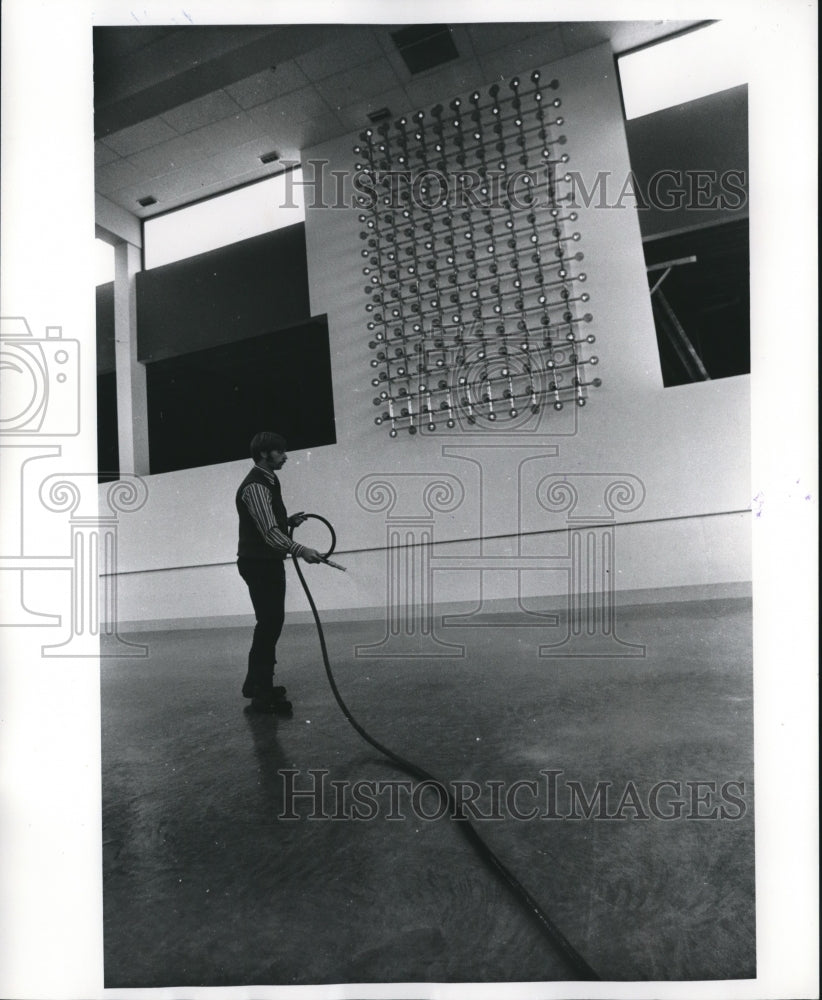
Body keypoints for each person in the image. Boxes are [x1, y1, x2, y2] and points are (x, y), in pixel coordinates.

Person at [236, 431, 322, 714]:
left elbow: (268, 523)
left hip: (265, 562)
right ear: (264, 454)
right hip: (259, 563)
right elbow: (270, 533)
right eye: (280, 452)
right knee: (269, 624)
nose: (285, 457)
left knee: (270, 623)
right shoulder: (256, 486)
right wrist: (301, 550)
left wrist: (287, 521)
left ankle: (257, 684)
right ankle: (261, 693)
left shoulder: (268, 481)